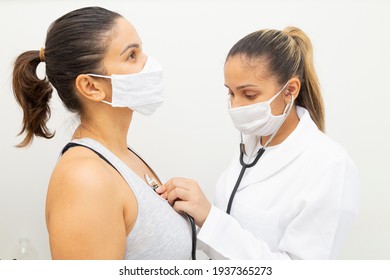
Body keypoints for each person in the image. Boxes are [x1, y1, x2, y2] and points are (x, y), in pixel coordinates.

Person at [12, 6, 192, 260]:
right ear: (91, 86)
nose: (148, 64)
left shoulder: (122, 156)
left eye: (141, 50)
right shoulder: (84, 178)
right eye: (132, 55)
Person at [164, 26, 359, 259]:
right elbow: (233, 231)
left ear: (290, 91)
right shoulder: (252, 146)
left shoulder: (329, 165)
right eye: (231, 93)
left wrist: (209, 218)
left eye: (249, 95)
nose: (235, 106)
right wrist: (187, 211)